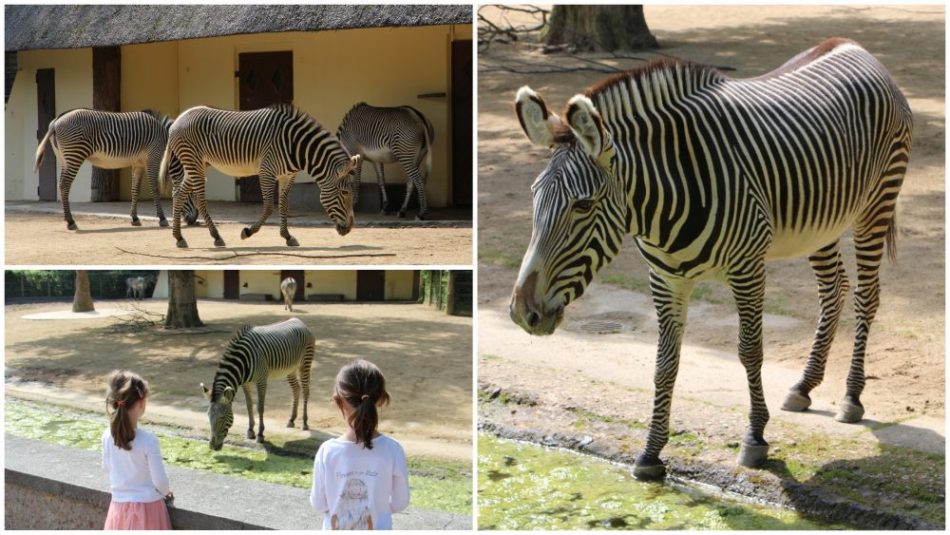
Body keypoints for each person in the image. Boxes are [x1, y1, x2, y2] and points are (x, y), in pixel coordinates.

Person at [310, 360, 410, 530]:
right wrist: (380, 511)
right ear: (381, 399)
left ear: (338, 401)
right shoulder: (393, 450)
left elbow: (319, 504)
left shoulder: (327, 451)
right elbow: (400, 502)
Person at [101, 370, 173, 530]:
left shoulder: (107, 436)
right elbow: (161, 483)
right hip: (148, 512)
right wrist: (166, 491)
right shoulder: (148, 440)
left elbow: (107, 468)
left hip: (118, 511)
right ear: (142, 402)